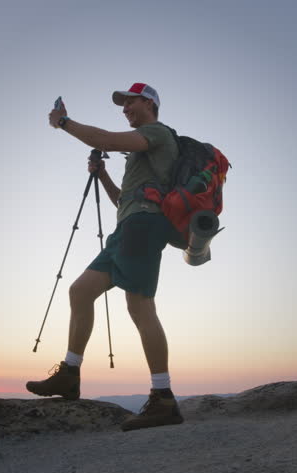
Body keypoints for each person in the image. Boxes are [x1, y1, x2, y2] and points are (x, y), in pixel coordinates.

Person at [26, 83, 184, 431]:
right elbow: (122, 202)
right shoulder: (142, 151)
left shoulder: (156, 134)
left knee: (140, 307)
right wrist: (104, 174)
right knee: (80, 292)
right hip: (126, 229)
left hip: (144, 228)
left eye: (131, 101)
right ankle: (70, 375)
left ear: (150, 103)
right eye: (123, 104)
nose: (125, 108)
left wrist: (64, 122)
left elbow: (106, 140)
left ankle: (164, 398)